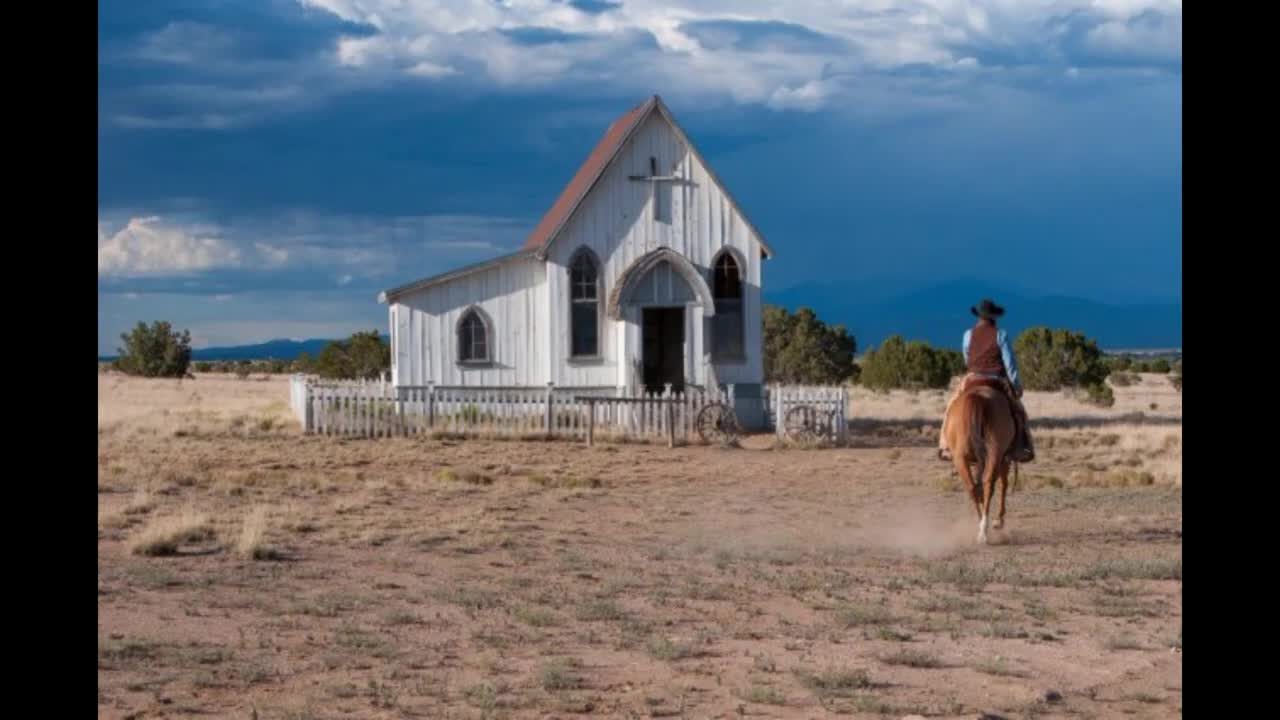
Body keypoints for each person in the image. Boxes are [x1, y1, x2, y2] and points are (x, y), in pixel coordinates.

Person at [938, 299, 1034, 463]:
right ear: (994, 317)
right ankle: (1023, 447)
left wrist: (975, 368)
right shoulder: (1000, 334)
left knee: (951, 407)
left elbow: (967, 356)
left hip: (973, 377)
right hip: (996, 378)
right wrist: (1016, 384)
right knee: (1019, 411)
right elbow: (1010, 363)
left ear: (978, 316)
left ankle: (945, 445)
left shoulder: (968, 334)